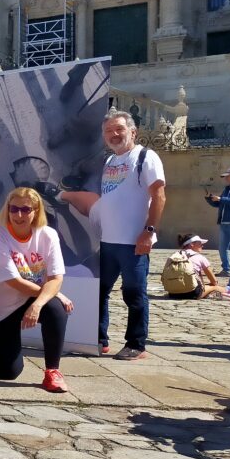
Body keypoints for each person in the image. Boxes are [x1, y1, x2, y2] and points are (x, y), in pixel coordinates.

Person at [61, 110, 166, 360]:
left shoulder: (145, 157)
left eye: (119, 129)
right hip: (108, 241)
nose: (114, 134)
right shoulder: (109, 163)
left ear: (133, 132)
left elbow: (159, 195)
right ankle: (99, 339)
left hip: (133, 242)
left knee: (134, 294)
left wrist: (148, 232)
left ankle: (136, 344)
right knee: (101, 292)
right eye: (108, 131)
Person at [0, 187, 74, 393]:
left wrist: (40, 303)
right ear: (7, 210)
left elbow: (56, 278)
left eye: (25, 209)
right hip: (1, 307)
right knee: (8, 372)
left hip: (30, 299)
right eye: (14, 209)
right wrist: (51, 292)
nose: (19, 215)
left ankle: (52, 372)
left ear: (36, 211)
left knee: (56, 309)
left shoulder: (48, 235)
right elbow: (14, 281)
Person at [167, 234, 226, 300]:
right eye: (200, 243)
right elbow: (214, 281)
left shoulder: (173, 256)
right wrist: (210, 285)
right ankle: (229, 289)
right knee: (215, 287)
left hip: (173, 293)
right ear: (192, 244)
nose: (202, 245)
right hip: (193, 294)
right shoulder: (200, 257)